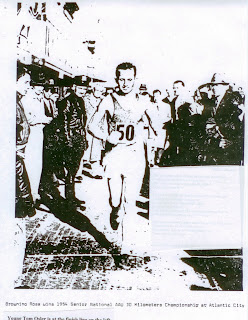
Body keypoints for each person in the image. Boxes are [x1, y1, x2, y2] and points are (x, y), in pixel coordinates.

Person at [88, 62, 153, 256]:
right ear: (116, 79)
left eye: (129, 79)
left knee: (129, 202)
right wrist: (107, 137)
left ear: (135, 79)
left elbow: (153, 124)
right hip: (114, 155)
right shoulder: (109, 100)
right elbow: (91, 125)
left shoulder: (143, 102)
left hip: (135, 156)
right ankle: (114, 210)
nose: (125, 83)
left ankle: (125, 248)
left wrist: (151, 135)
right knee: (116, 199)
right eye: (121, 79)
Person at [15, 65, 36, 287]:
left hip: (16, 162)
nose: (29, 87)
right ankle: (12, 279)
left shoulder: (16, 101)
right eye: (26, 82)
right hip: (13, 167)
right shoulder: (11, 103)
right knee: (16, 227)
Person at [56, 76, 89, 207]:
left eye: (84, 88)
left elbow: (82, 123)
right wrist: (67, 140)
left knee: (73, 170)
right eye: (80, 88)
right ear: (74, 87)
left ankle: (71, 196)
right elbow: (64, 123)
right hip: (70, 140)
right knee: (70, 170)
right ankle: (69, 199)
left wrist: (84, 138)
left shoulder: (80, 101)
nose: (82, 90)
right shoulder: (67, 101)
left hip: (79, 139)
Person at [21, 72, 52, 205]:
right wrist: (45, 119)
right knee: (31, 163)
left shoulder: (39, 98)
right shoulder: (28, 98)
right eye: (37, 85)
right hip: (32, 133)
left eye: (42, 85)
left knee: (38, 163)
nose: (40, 88)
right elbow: (29, 118)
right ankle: (30, 194)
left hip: (39, 132)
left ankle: (35, 192)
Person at [201, 73, 244, 165]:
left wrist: (232, 142)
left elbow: (238, 125)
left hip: (229, 148)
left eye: (216, 85)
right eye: (212, 85)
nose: (213, 88)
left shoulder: (232, 101)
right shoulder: (212, 103)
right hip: (215, 146)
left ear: (225, 86)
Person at [145, 89, 171, 166]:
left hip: (162, 127)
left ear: (160, 96)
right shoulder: (150, 106)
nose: (156, 98)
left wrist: (163, 122)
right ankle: (151, 161)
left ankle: (159, 159)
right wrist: (154, 126)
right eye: (154, 96)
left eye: (157, 96)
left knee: (161, 145)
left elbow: (169, 117)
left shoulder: (166, 106)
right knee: (152, 145)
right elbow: (150, 117)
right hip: (153, 128)